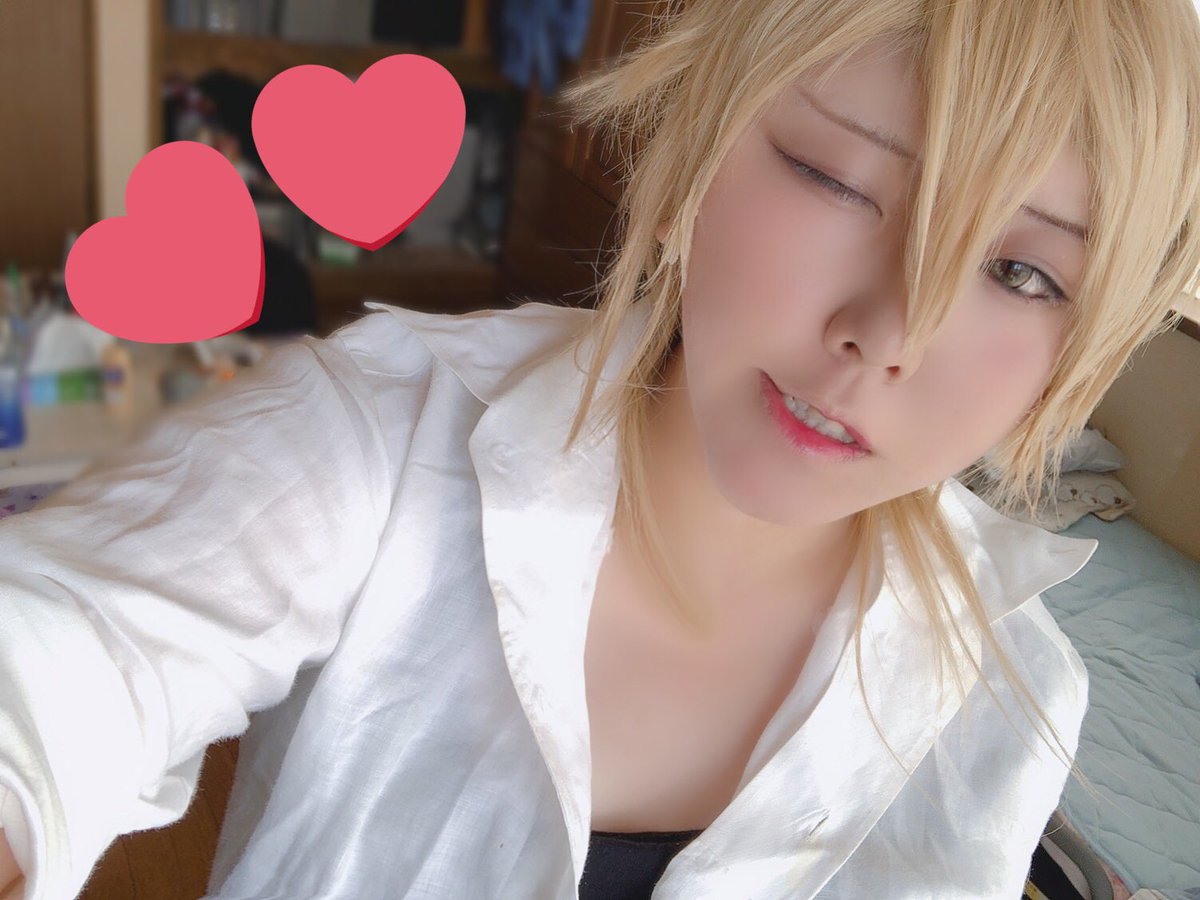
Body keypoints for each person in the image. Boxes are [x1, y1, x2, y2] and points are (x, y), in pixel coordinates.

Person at [3, 0, 1200, 897]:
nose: (886, 336)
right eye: (836, 180)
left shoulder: (1012, 703)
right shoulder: (372, 437)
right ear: (692, 162)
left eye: (1022, 272)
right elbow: (67, 656)